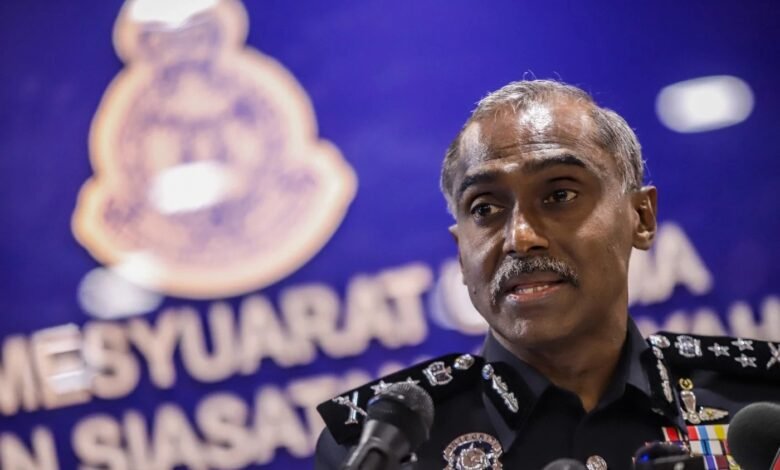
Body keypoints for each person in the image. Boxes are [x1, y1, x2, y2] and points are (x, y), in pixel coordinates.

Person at [314, 80, 780, 469]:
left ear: (641, 217)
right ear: (461, 251)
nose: (520, 237)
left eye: (559, 196)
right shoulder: (384, 447)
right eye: (485, 208)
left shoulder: (759, 409)